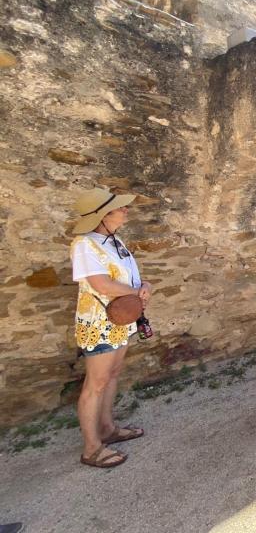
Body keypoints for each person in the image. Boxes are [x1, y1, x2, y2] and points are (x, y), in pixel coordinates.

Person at [70, 188, 153, 468]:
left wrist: (143, 286)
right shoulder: (85, 244)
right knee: (96, 383)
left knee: (112, 374)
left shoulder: (114, 241)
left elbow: (128, 277)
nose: (125, 210)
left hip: (120, 319)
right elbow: (101, 284)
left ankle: (106, 428)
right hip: (99, 322)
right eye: (119, 208)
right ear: (103, 215)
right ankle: (91, 448)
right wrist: (136, 291)